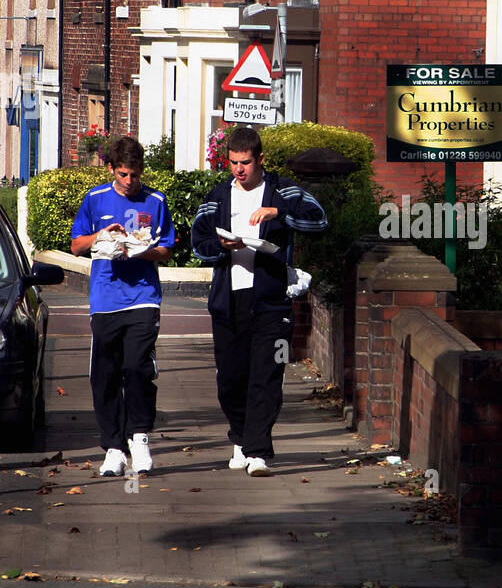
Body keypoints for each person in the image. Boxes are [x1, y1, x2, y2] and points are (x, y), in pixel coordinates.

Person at [191, 126, 327, 476]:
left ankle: (258, 452)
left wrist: (278, 214)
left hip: (271, 300)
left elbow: (320, 220)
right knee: (230, 380)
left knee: (267, 375)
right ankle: (240, 437)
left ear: (260, 159)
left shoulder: (284, 191)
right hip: (229, 300)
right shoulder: (218, 197)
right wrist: (221, 248)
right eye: (234, 163)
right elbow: (198, 242)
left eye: (246, 163)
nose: (239, 170)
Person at [71, 135, 176, 476]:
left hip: (143, 297)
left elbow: (166, 248)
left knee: (137, 368)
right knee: (105, 375)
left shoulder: (156, 201)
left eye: (135, 174)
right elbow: (76, 246)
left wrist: (143, 250)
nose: (130, 182)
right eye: (123, 175)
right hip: (105, 299)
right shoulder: (95, 199)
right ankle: (114, 448)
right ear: (111, 169)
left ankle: (140, 438)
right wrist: (103, 236)